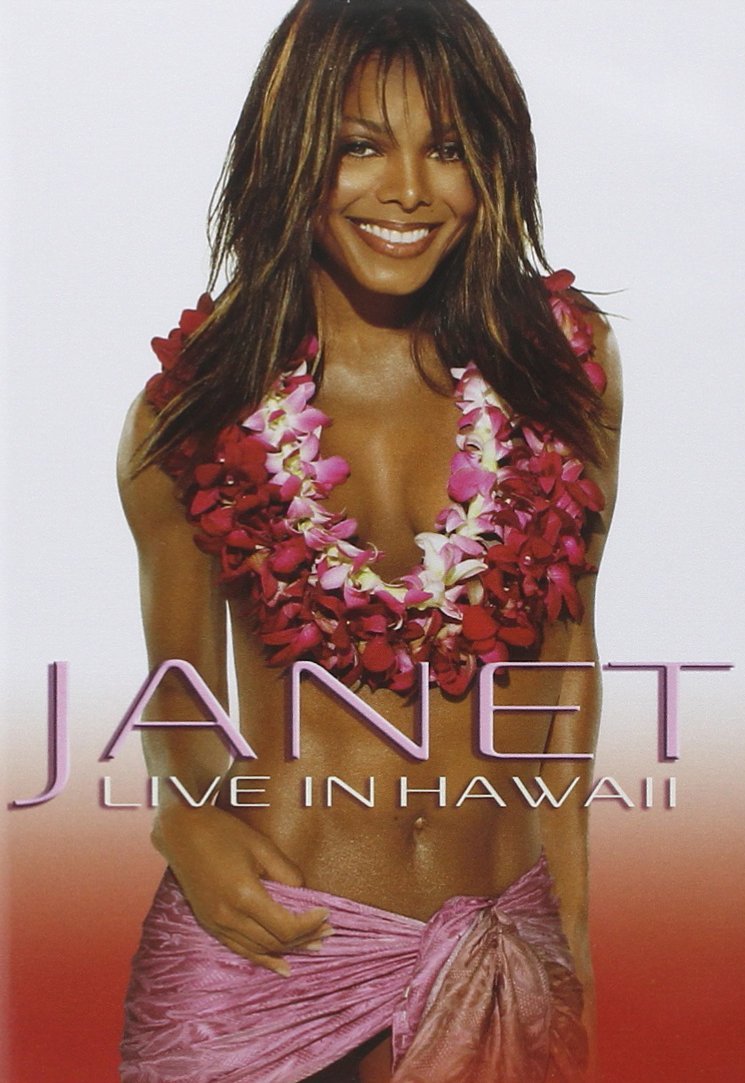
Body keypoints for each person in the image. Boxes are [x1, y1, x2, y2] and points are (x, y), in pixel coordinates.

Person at [117, 1, 621, 1080]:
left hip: (493, 951)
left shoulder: (563, 366)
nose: (406, 190)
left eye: (448, 148)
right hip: (265, 952)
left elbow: (565, 660)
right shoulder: (195, 408)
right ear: (290, 153)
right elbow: (179, 686)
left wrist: (571, 931)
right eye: (358, 146)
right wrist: (184, 821)